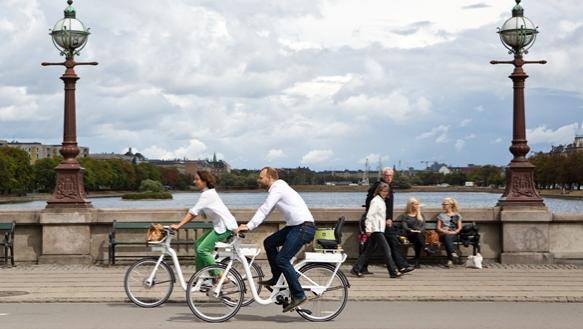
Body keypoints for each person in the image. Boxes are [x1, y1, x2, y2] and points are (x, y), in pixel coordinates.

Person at [237, 167, 315, 313]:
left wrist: (249, 226)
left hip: (303, 228)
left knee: (282, 260)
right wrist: (250, 225)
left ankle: (299, 295)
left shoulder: (278, 188)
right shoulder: (278, 189)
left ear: (270, 178)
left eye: (261, 177)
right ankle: (277, 278)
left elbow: (264, 209)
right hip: (295, 226)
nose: (258, 180)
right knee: (269, 243)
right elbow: (266, 212)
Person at [170, 171, 238, 274]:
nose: (194, 181)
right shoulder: (208, 193)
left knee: (202, 250)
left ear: (205, 181)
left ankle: (218, 275)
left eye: (197, 179)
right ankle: (200, 276)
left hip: (225, 227)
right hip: (220, 226)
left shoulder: (207, 195)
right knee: (198, 244)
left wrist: (179, 225)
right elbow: (199, 210)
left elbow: (193, 213)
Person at [361, 168, 414, 275]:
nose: (389, 177)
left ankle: (361, 267)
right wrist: (388, 218)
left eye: (390, 175)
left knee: (370, 246)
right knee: (392, 243)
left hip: (382, 221)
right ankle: (400, 266)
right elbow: (371, 204)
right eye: (387, 175)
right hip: (382, 222)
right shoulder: (379, 186)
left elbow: (387, 205)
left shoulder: (386, 186)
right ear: (383, 175)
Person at [352, 182, 402, 278]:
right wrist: (368, 229)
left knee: (368, 251)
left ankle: (356, 268)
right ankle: (393, 271)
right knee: (386, 250)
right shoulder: (376, 201)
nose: (385, 193)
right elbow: (369, 216)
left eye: (386, 191)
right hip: (375, 229)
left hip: (379, 229)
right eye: (383, 191)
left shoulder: (381, 201)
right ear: (379, 191)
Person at [398, 197, 434, 268]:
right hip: (409, 235)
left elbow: (424, 226)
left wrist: (419, 231)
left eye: (418, 204)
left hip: (419, 235)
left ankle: (417, 261)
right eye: (416, 204)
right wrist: (411, 230)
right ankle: (425, 250)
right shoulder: (405, 215)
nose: (418, 206)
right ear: (411, 205)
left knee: (419, 237)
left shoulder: (420, 215)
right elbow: (404, 227)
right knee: (419, 236)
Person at [436, 197, 463, 267]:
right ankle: (452, 253)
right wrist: (445, 231)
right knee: (447, 237)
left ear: (450, 205)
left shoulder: (456, 215)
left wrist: (454, 232)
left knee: (448, 238)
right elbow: (438, 228)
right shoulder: (441, 215)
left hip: (454, 234)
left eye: (445, 204)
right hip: (443, 234)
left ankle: (450, 259)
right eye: (443, 204)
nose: (443, 205)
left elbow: (459, 227)